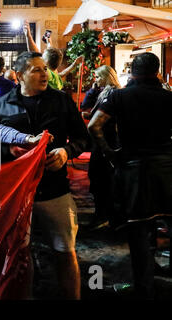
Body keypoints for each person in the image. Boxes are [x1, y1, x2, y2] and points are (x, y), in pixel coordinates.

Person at [0, 51, 90, 299]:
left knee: (65, 250)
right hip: (18, 192)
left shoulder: (61, 100)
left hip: (54, 189)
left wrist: (65, 151)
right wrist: (9, 150)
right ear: (19, 76)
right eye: (36, 70)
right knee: (19, 255)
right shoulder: (2, 103)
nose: (44, 74)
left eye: (45, 69)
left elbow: (83, 138)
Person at [88, 52, 172, 299]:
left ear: (132, 72)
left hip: (135, 170)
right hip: (167, 168)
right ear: (157, 72)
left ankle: (144, 287)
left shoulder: (119, 96)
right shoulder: (169, 97)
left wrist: (110, 153)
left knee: (138, 233)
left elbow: (94, 125)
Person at [81, 65, 121, 229]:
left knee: (101, 179)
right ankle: (104, 215)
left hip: (107, 141)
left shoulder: (112, 93)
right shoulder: (104, 92)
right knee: (99, 179)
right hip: (101, 141)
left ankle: (105, 216)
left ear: (106, 76)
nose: (95, 80)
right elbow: (86, 104)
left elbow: (105, 120)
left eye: (98, 77)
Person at [24, 21, 83, 90]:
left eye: (43, 57)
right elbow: (63, 73)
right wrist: (74, 64)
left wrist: (28, 36)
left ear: (46, 62)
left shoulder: (48, 74)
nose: (41, 58)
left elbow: (35, 54)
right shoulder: (56, 76)